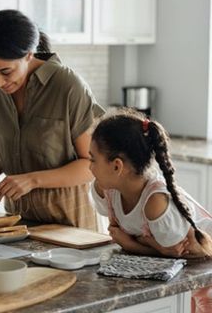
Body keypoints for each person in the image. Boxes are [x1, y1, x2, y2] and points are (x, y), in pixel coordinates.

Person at [0, 9, 104, 230]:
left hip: (70, 224)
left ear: (29, 54)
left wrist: (32, 180)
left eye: (6, 72)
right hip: (17, 224)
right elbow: (6, 148)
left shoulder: (67, 86)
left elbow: (92, 165)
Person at [89, 109, 212, 313]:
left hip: (205, 273)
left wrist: (132, 245)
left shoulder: (155, 202)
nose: (89, 167)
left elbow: (182, 257)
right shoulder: (107, 190)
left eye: (93, 159)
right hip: (188, 278)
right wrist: (151, 246)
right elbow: (166, 254)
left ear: (117, 166)